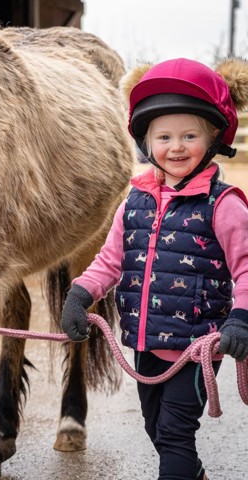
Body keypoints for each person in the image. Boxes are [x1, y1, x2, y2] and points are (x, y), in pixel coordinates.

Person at [61, 58, 248, 480]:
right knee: (155, 429)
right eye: (164, 136)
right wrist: (80, 294)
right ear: (147, 143)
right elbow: (110, 260)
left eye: (190, 135)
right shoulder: (133, 204)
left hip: (195, 349)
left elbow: (246, 269)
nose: (176, 147)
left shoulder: (225, 205)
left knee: (175, 433)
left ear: (214, 138)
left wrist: (241, 318)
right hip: (145, 343)